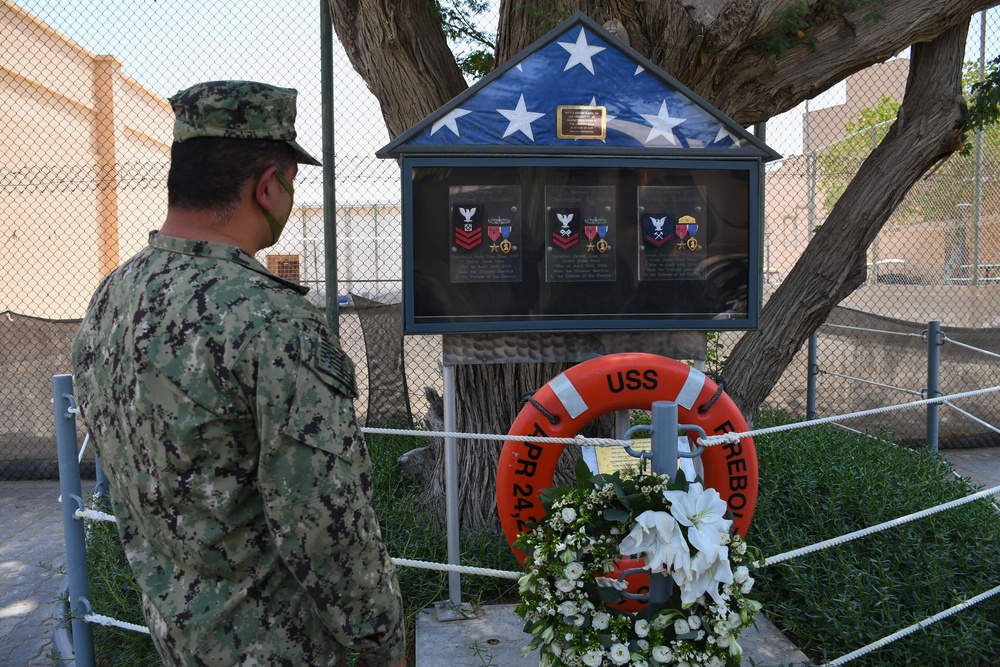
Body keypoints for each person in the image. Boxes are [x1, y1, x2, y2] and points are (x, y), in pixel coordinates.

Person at [71, 81, 405, 667]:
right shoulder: (274, 322)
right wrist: (382, 638)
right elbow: (324, 519)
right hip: (281, 646)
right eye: (291, 186)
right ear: (268, 187)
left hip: (177, 631)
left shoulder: (112, 296)